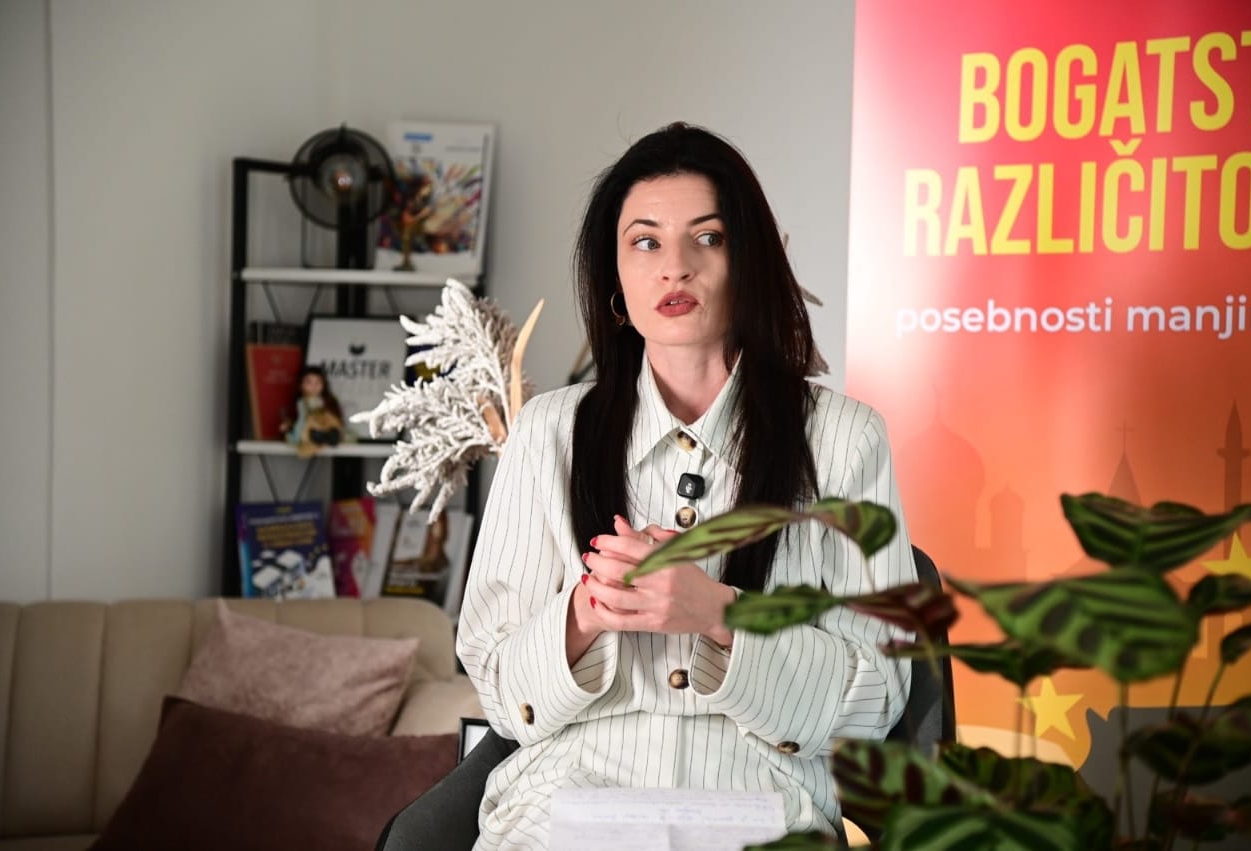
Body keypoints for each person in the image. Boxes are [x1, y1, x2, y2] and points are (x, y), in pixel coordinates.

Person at [380, 121, 917, 849]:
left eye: (709, 238)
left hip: (760, 809)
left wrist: (717, 613)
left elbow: (878, 697)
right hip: (560, 808)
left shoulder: (845, 439)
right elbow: (502, 692)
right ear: (614, 278)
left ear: (749, 261)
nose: (676, 268)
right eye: (645, 242)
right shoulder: (547, 432)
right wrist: (586, 612)